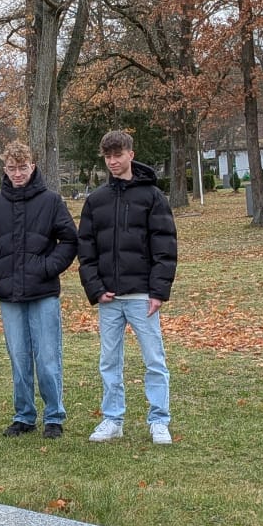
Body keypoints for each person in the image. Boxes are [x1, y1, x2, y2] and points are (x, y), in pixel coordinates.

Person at [77, 130, 178, 444]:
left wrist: (159, 291)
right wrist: (95, 289)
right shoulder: (96, 200)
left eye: (118, 155)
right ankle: (112, 419)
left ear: (131, 154)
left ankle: (159, 420)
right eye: (107, 157)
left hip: (142, 297)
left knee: (154, 360)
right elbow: (86, 249)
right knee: (109, 361)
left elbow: (165, 245)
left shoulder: (152, 197)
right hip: (109, 298)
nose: (113, 162)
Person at [0, 140, 78, 439]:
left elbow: (69, 240)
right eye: (12, 168)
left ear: (32, 166)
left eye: (23, 167)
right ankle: (23, 415)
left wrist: (47, 268)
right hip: (9, 294)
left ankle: (54, 416)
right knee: (19, 359)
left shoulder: (51, 201)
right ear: (4, 170)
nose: (17, 173)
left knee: (48, 358)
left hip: (43, 292)